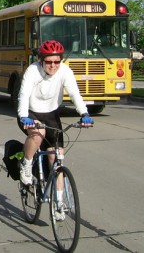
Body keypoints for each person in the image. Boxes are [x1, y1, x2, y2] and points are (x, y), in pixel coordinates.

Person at [17, 40, 93, 219]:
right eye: (49, 61)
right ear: (41, 60)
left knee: (57, 158)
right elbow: (24, 94)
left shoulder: (65, 71)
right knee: (39, 133)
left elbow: (74, 93)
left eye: (56, 61)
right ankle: (26, 164)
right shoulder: (32, 70)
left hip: (51, 114)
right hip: (30, 113)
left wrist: (84, 113)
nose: (53, 65)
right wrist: (23, 116)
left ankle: (59, 203)